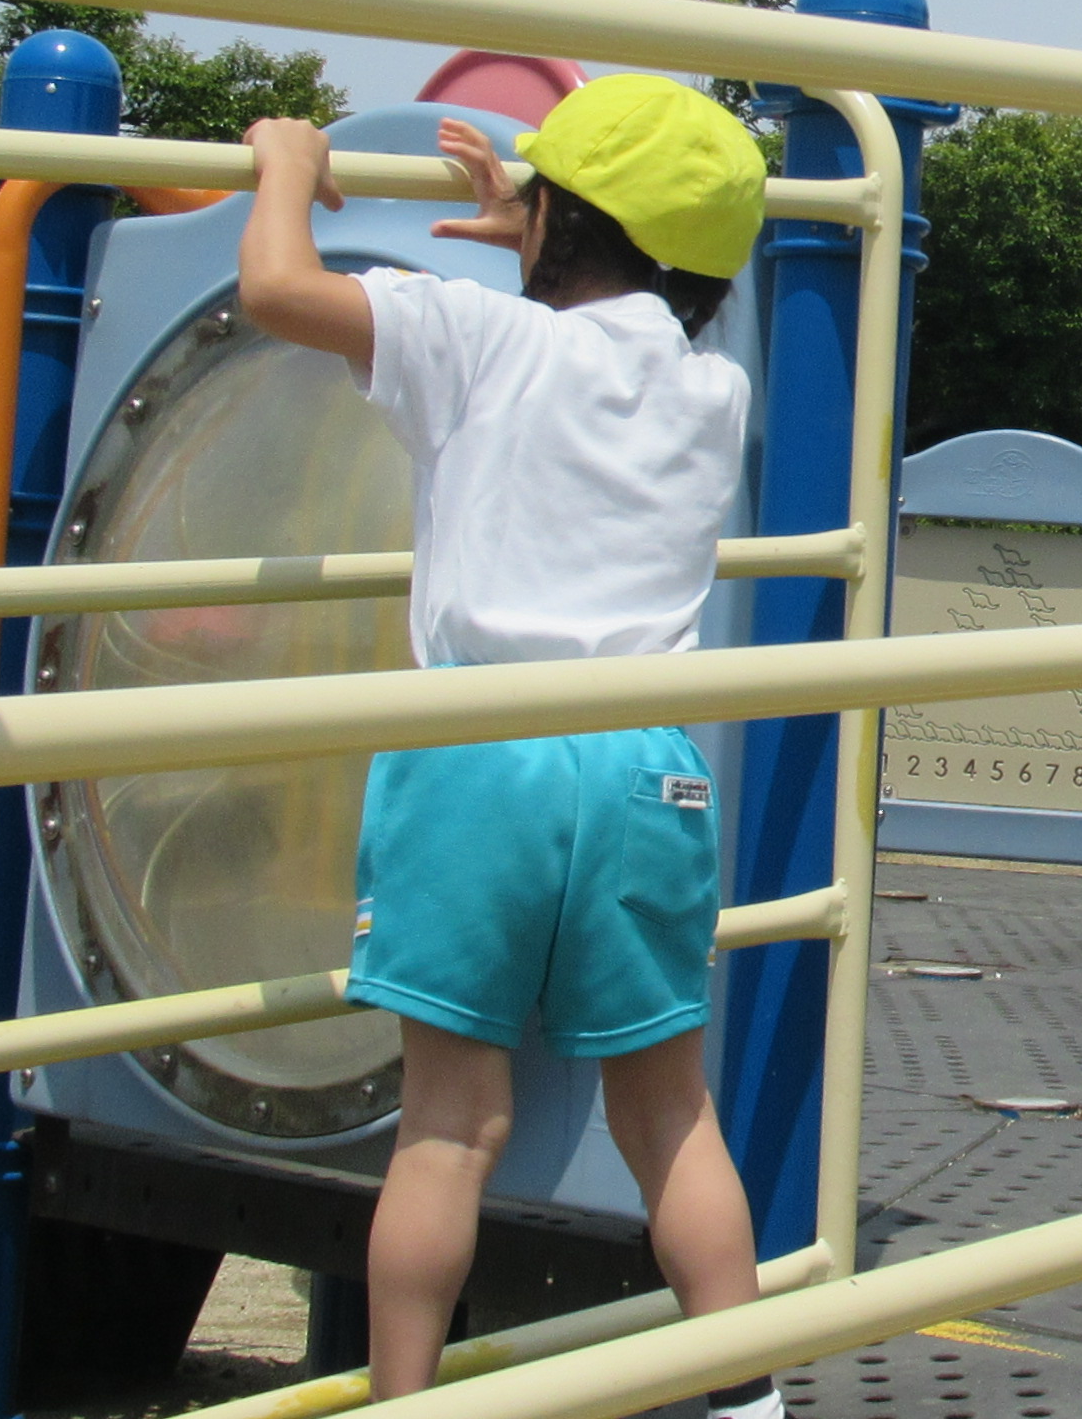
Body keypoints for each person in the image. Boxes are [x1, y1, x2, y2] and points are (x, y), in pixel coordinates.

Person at [238, 78, 787, 1411]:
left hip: (481, 748)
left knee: (448, 1128)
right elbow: (618, 325)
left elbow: (275, 290)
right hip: (644, 762)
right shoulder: (715, 387)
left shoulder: (470, 333)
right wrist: (540, 225)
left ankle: (408, 1398)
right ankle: (748, 1396)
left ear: (560, 222)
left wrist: (287, 162)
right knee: (670, 1116)